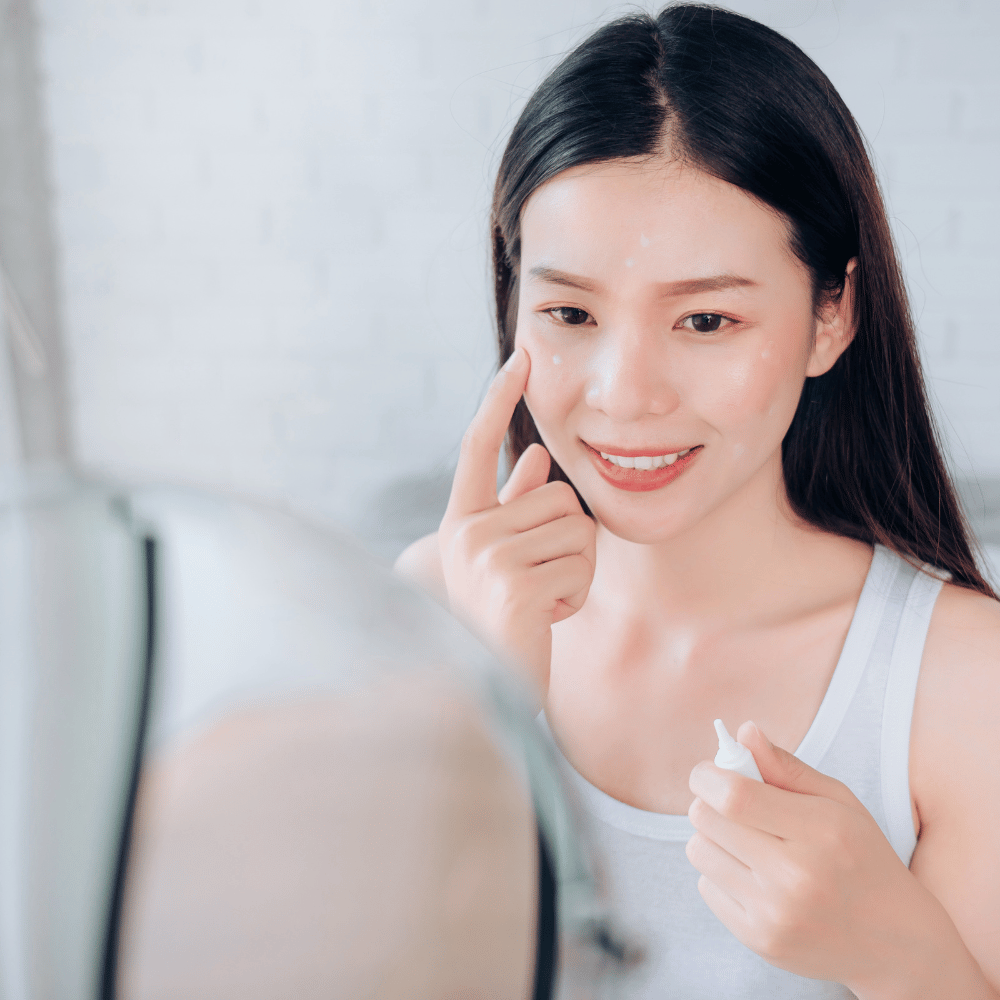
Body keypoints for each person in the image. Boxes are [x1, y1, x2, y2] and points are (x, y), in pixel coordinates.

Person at [395, 4, 1000, 998]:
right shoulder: (423, 613)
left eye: (707, 320)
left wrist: (897, 953)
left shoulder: (964, 684)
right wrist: (483, 719)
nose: (626, 394)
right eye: (569, 312)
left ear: (831, 315)